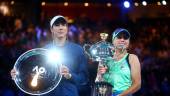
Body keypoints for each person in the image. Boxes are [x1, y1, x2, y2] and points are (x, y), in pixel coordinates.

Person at [11, 15, 89, 96]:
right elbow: (35, 72)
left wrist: (69, 75)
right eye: (57, 25)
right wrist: (18, 73)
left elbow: (84, 78)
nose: (61, 28)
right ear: (51, 29)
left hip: (69, 93)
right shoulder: (44, 50)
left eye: (63, 25)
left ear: (67, 28)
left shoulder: (78, 50)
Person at [98, 28, 141, 96]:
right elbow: (99, 81)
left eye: (125, 37)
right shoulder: (105, 59)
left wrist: (120, 95)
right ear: (113, 40)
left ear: (129, 41)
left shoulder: (132, 58)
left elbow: (137, 84)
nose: (122, 39)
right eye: (119, 37)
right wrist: (101, 75)